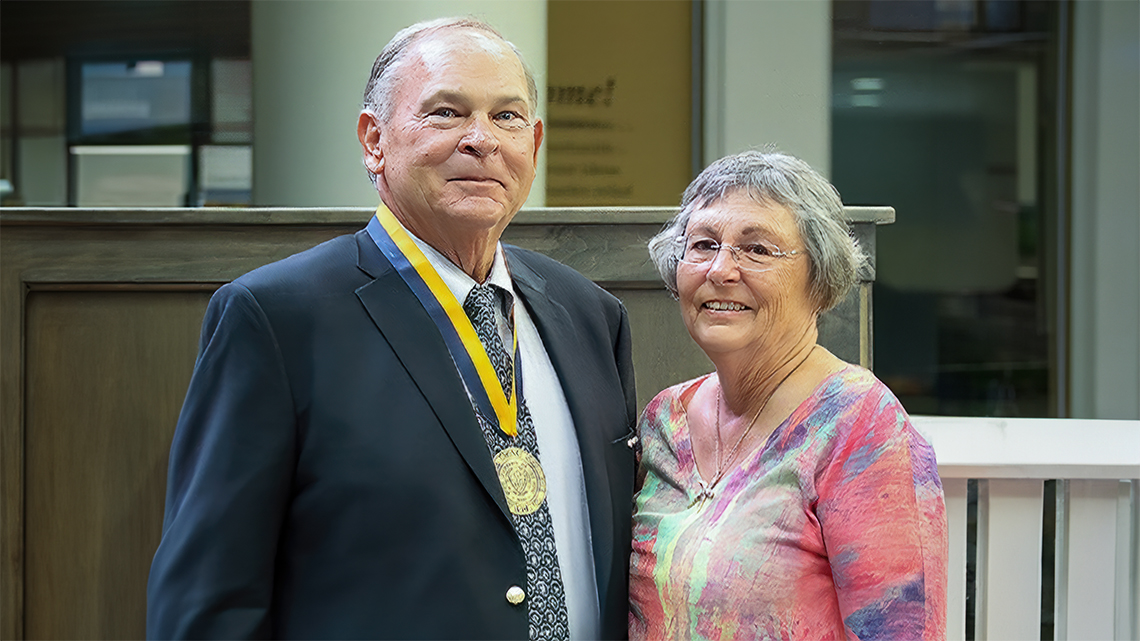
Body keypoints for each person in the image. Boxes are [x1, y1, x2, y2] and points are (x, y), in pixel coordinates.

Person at [147, 18, 636, 640]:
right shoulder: (277, 319)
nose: (481, 140)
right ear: (374, 140)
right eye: (446, 113)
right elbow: (208, 602)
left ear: (534, 145)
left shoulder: (592, 316)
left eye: (507, 117)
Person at [629, 151, 947, 639]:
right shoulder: (664, 421)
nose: (721, 269)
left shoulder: (862, 429)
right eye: (703, 244)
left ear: (820, 280)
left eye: (756, 250)